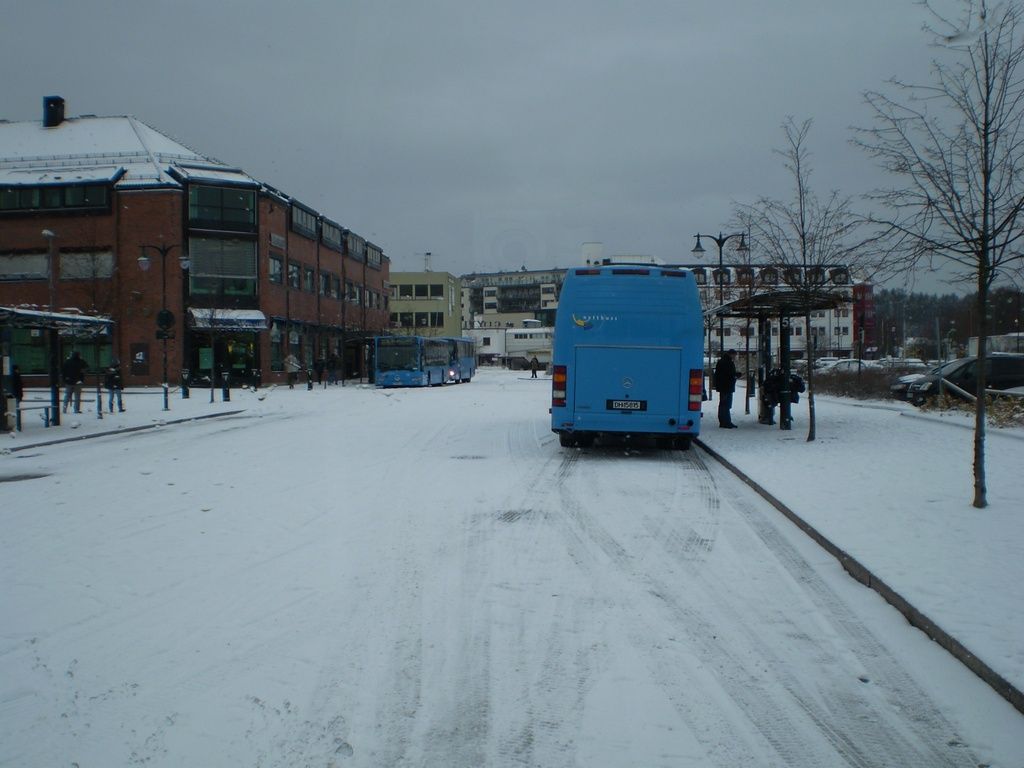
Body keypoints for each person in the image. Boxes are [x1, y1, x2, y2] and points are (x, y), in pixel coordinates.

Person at [713, 349, 739, 428]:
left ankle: (724, 421)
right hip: (726, 387)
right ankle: (726, 422)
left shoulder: (722, 361)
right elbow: (728, 374)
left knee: (723, 404)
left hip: (723, 387)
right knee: (725, 405)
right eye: (734, 355)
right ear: (731, 354)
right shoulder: (727, 362)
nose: (735, 357)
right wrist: (736, 375)